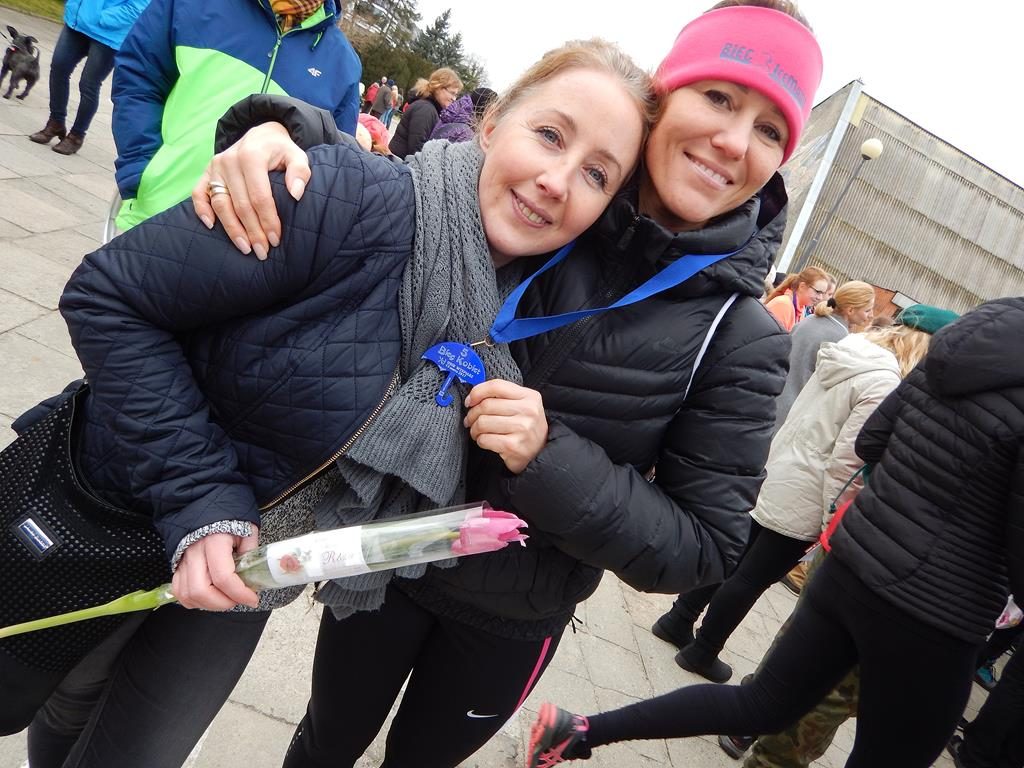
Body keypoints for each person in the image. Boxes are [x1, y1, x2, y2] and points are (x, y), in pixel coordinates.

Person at [187, 1, 822, 765]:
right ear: (664, 98)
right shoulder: (563, 203)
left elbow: (705, 548)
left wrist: (549, 457)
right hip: (390, 554)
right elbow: (418, 192)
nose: (734, 140)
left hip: (511, 620)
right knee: (324, 741)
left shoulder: (740, 337)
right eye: (719, 97)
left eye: (770, 130)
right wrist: (282, 131)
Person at [11, 39, 652, 768]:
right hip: (119, 506)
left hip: (244, 582)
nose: (557, 181)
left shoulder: (516, 322)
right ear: (493, 122)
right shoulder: (353, 195)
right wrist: (197, 498)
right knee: (62, 697)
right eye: (550, 135)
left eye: (597, 174)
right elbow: (109, 296)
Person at [528, 295, 1024, 768]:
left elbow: (872, 442)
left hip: (852, 564)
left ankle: (582, 731)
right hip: (937, 611)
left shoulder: (949, 358)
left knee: (760, 704)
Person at [652, 312, 942, 685]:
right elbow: (848, 460)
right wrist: (834, 517)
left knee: (734, 557)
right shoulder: (884, 382)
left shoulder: (852, 350)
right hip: (808, 489)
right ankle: (703, 650)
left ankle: (677, 619)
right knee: (752, 577)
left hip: (781, 466)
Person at [110, 0, 362, 232]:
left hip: (246, 248)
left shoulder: (344, 65)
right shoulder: (192, 4)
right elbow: (139, 77)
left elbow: (332, 167)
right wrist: (142, 170)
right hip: (154, 212)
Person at [27, 0, 150, 155]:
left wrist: (100, 18)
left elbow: (138, 6)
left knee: (89, 84)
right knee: (59, 69)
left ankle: (76, 136)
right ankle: (56, 122)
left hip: (108, 34)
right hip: (76, 22)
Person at [773, 279, 876, 429]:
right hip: (791, 413)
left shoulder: (811, 319)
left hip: (773, 396)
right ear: (850, 310)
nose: (871, 315)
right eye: (867, 310)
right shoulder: (841, 338)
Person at [388, 67, 462, 158]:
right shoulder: (426, 110)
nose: (454, 99)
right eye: (452, 93)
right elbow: (417, 149)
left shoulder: (430, 108)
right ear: (439, 87)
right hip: (399, 162)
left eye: (456, 95)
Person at [763, 266, 830, 331]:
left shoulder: (802, 308)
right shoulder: (783, 305)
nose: (820, 298)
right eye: (817, 292)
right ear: (802, 286)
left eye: (823, 293)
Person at [429, 87, 499, 144]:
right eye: (492, 112)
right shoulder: (465, 133)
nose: (493, 117)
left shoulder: (453, 114)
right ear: (484, 110)